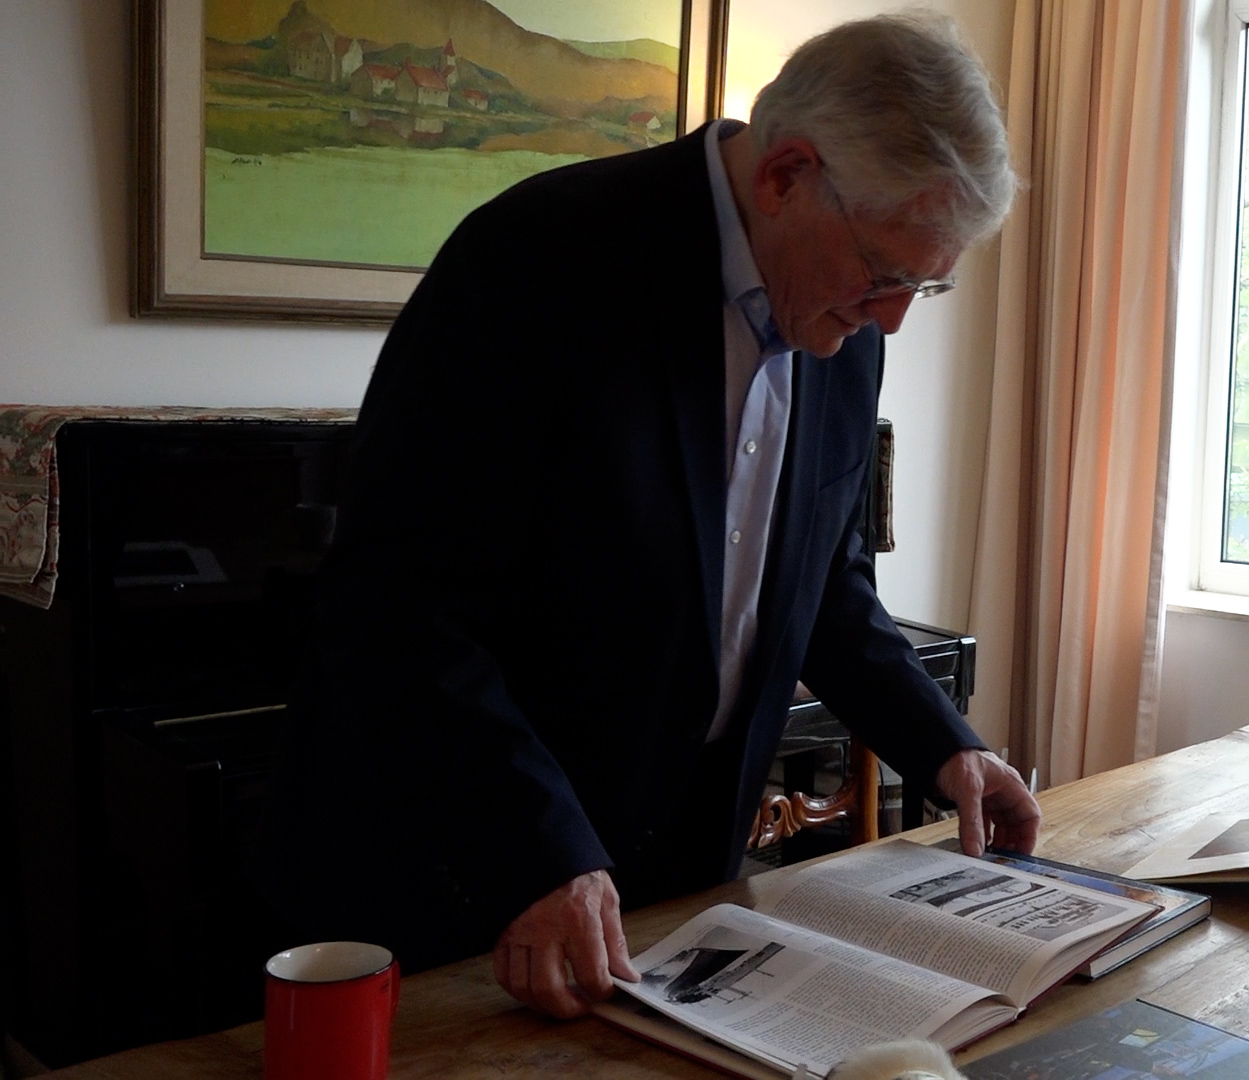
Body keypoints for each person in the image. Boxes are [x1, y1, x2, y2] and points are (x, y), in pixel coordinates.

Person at [251, 13, 1040, 1022]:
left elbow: (824, 586)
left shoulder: (845, 326)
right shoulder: (537, 255)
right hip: (460, 882)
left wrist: (946, 746)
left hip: (671, 894)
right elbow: (396, 609)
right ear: (786, 175)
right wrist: (540, 851)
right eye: (886, 273)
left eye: (927, 283)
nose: (893, 318)